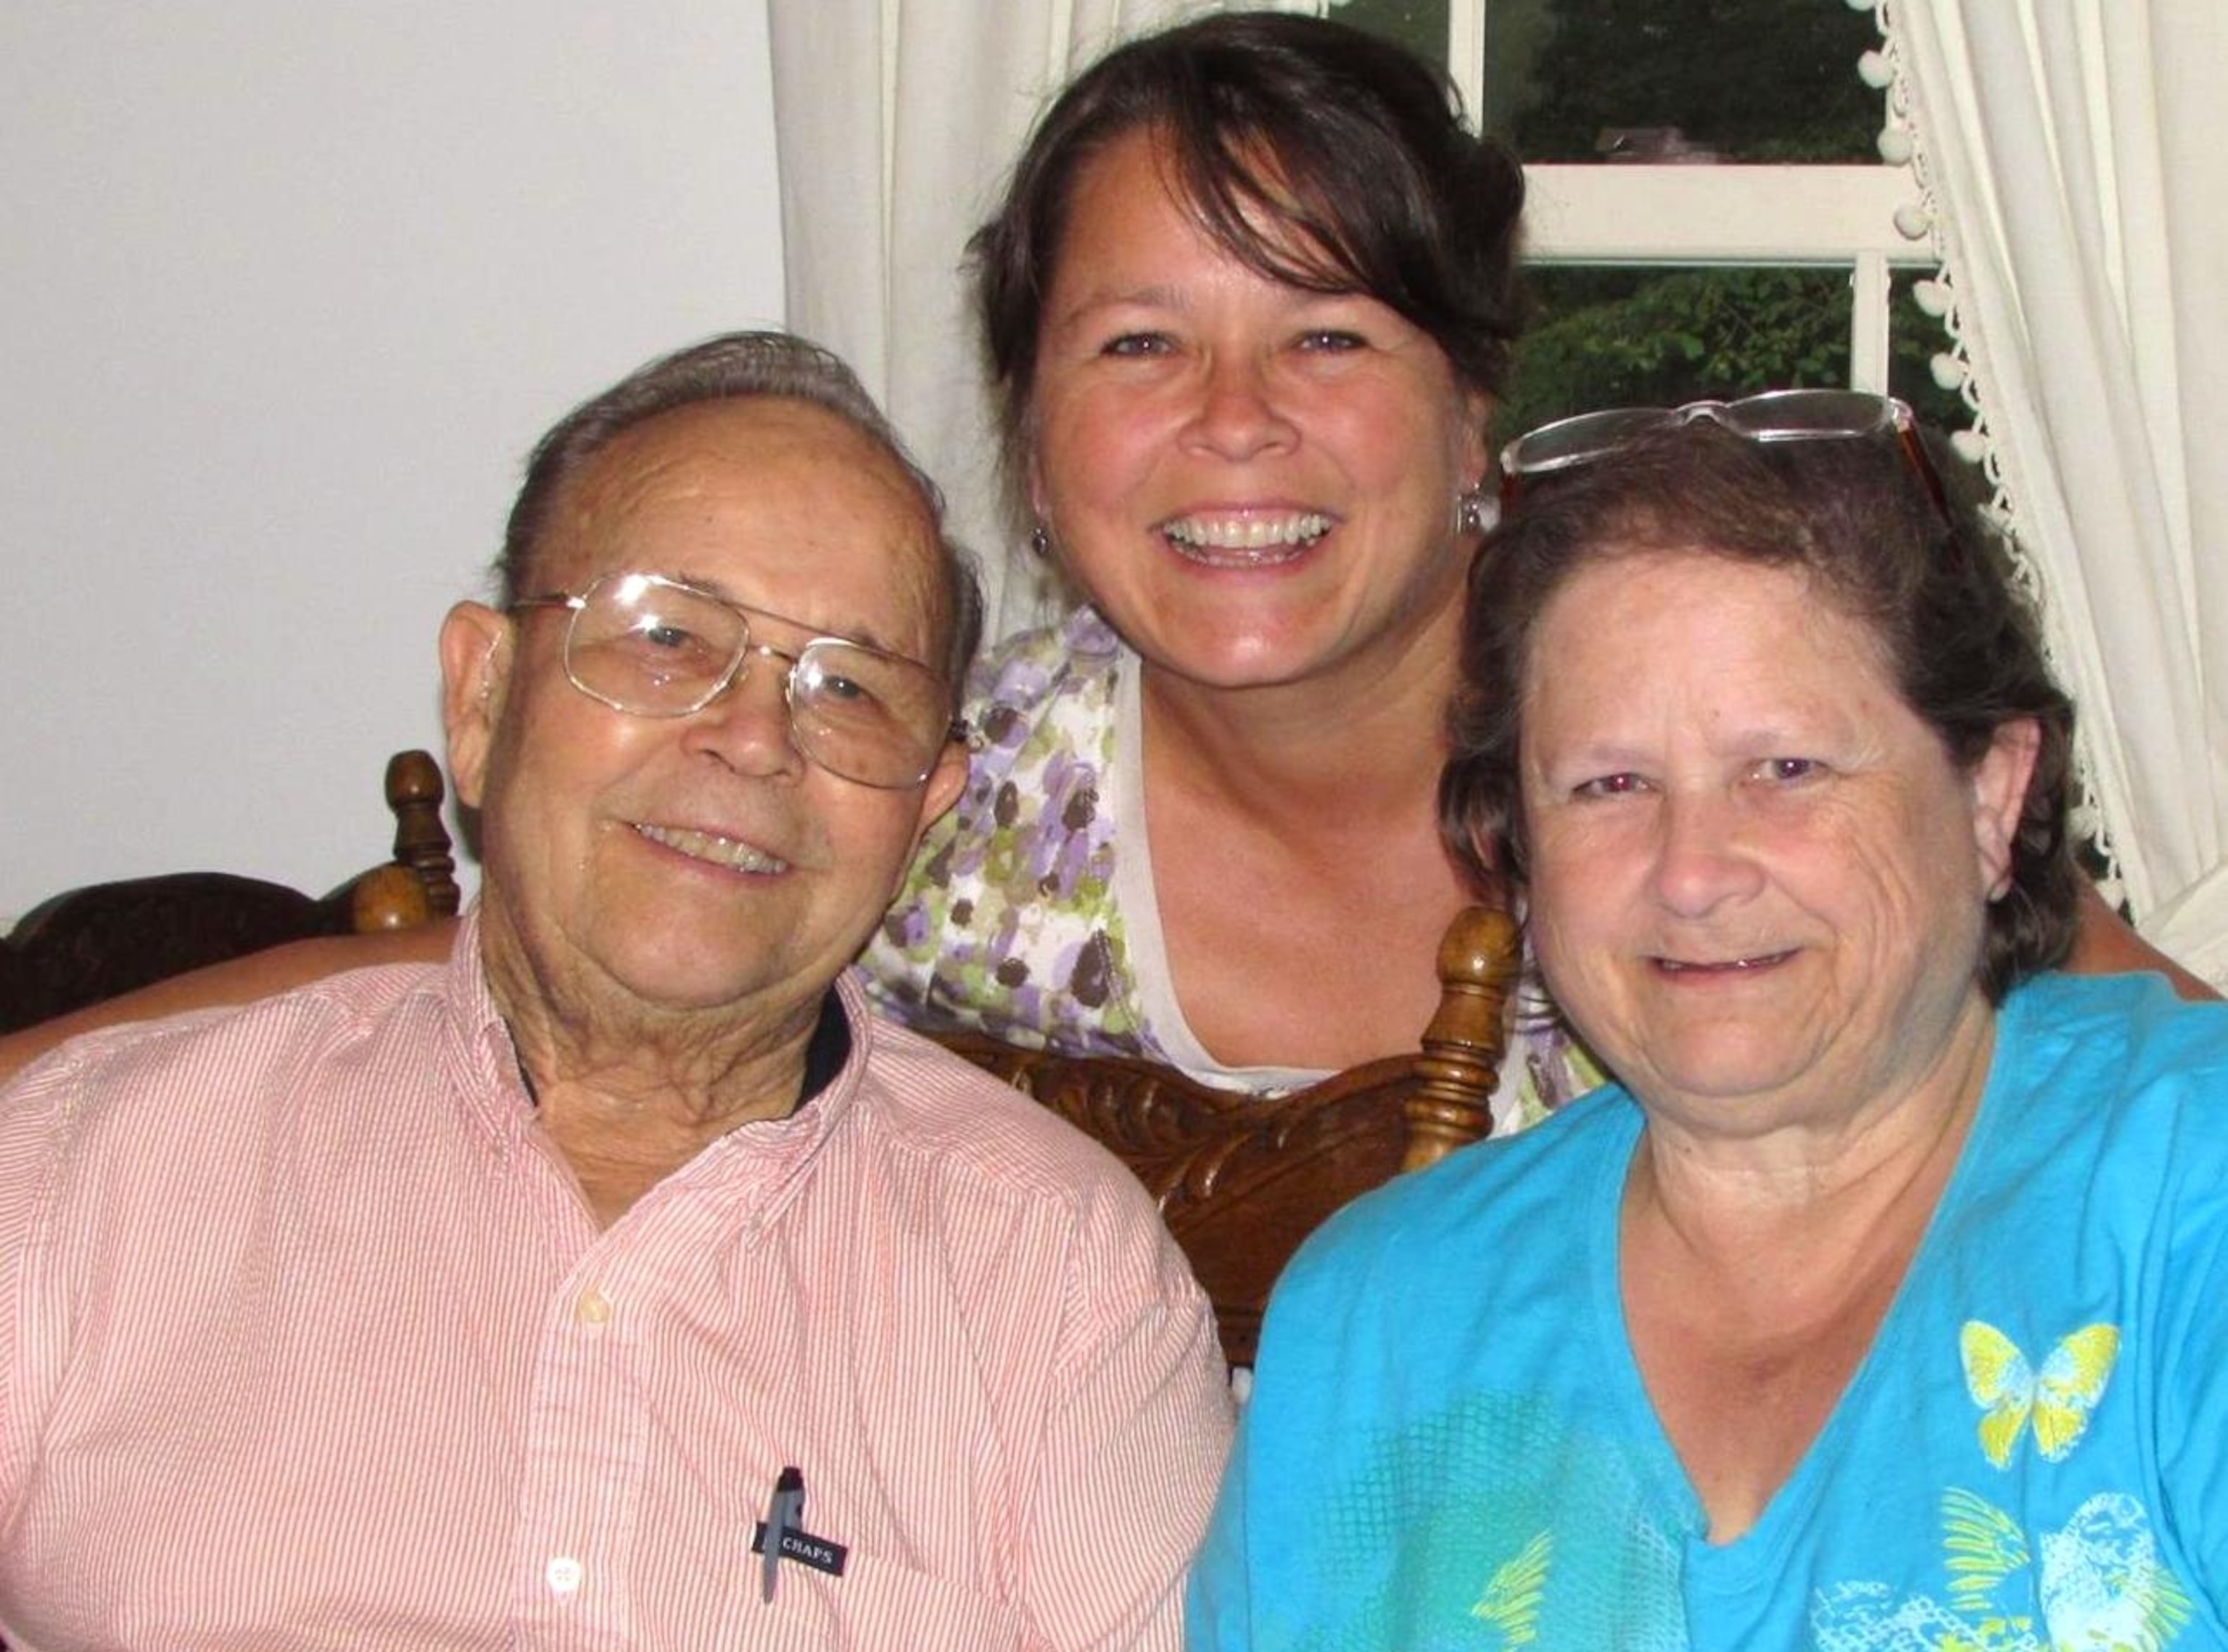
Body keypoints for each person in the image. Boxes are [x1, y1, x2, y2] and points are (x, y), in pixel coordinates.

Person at [0, 11, 2200, 1102]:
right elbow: (493, 983)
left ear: (1469, 414)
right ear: (1036, 451)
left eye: (1327, 335)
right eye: (1141, 342)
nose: (1234, 426)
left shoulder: (1700, 754)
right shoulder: (934, 801)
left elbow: (2124, 1048)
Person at [0, 332, 1231, 1647]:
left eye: (851, 688)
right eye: (665, 635)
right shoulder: (88, 1174)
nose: (753, 737)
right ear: (482, 697)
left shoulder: (1064, 1288)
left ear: (925, 812)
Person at [1186, 393, 2228, 1646]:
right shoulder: (1377, 1322)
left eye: (1785, 768)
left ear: (1991, 799)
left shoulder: (2183, 1196)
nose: (1692, 871)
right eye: (1609, 784)